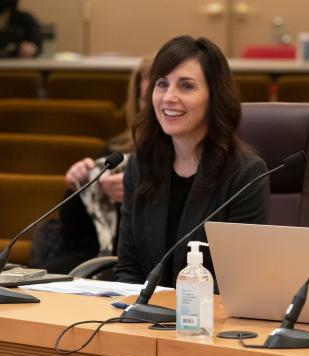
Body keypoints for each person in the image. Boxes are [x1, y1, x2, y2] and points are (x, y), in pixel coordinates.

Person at [114, 35, 270, 288]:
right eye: (161, 84)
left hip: (210, 320)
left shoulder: (245, 174)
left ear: (214, 97)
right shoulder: (142, 164)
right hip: (143, 318)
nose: (168, 97)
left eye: (186, 86)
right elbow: (128, 268)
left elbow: (239, 282)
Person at [35, 57, 154, 275]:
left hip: (144, 263)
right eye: (148, 98)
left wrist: (137, 191)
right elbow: (75, 237)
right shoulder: (114, 151)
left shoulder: (186, 161)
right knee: (50, 273)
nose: (159, 105)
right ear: (137, 101)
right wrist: (77, 186)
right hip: (98, 256)